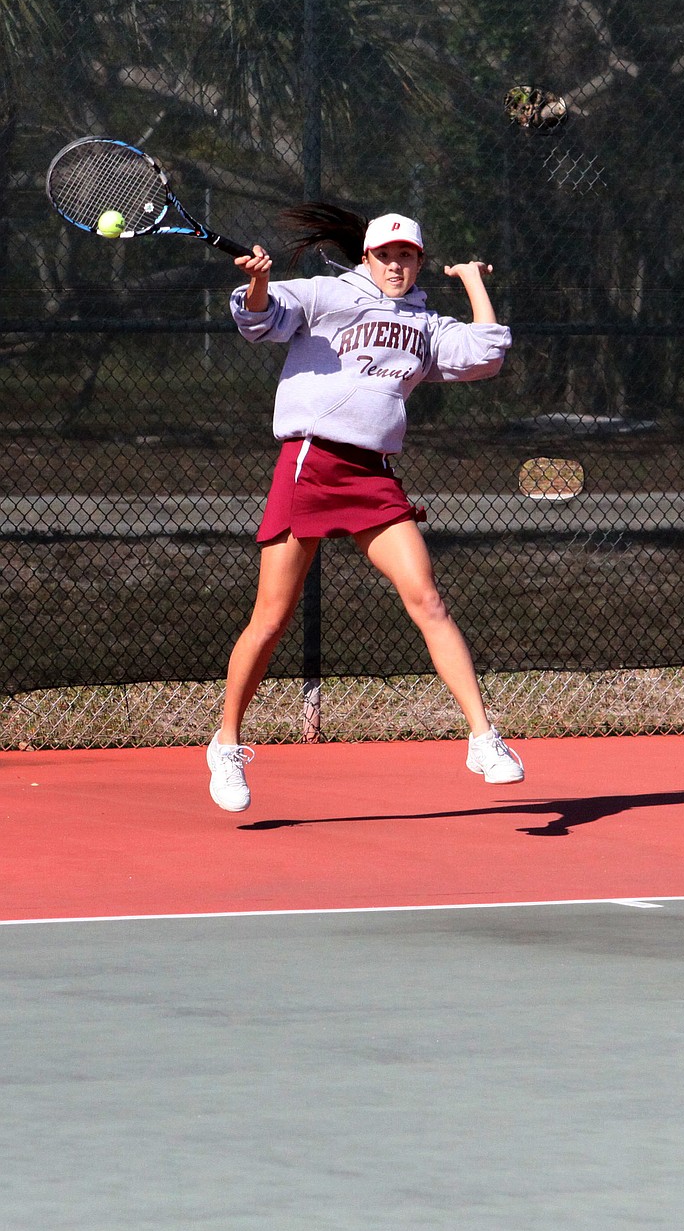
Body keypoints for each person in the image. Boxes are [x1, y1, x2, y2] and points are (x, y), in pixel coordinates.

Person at [206, 203, 525, 811]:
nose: (396, 265)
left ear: (419, 263)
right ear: (367, 258)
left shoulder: (425, 325)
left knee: (427, 599)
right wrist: (258, 282)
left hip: (371, 475)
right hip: (310, 464)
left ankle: (483, 739)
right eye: (386, 255)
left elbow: (485, 355)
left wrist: (473, 282)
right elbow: (259, 320)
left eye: (408, 256)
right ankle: (226, 745)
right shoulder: (326, 295)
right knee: (271, 620)